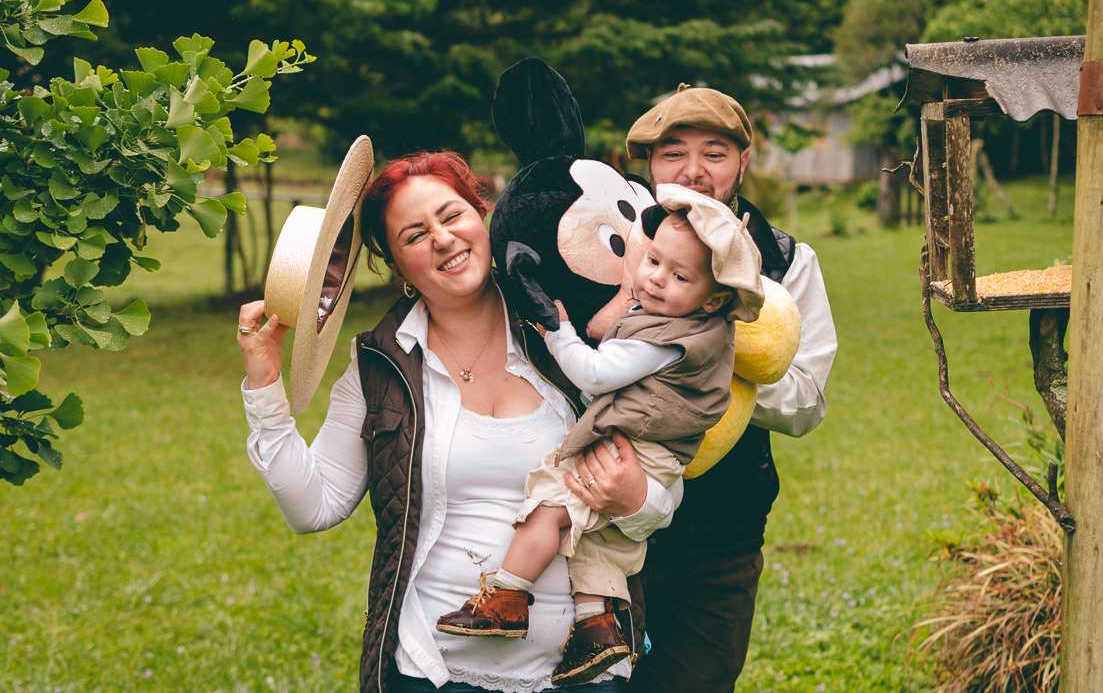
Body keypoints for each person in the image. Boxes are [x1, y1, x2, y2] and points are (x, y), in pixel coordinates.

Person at [236, 151, 678, 693]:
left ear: (483, 214)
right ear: (396, 266)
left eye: (452, 216)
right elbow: (313, 507)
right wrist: (264, 385)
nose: (443, 239)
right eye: (414, 235)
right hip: (432, 669)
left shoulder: (571, 333)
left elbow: (657, 495)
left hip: (581, 669)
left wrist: (635, 499)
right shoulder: (380, 362)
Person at [436, 186, 763, 687]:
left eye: (679, 276)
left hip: (631, 451)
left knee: (550, 504)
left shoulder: (668, 339)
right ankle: (596, 627)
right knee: (595, 542)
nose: (655, 279)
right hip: (654, 453)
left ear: (714, 298)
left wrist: (557, 329)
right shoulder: (698, 328)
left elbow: (593, 372)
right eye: (652, 260)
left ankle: (505, 597)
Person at [570, 85, 838, 693]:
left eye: (714, 152)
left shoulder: (788, 264)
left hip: (720, 542)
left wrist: (704, 365)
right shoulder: (609, 249)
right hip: (597, 520)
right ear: (647, 165)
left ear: (744, 161)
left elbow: (806, 402)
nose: (693, 170)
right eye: (673, 153)